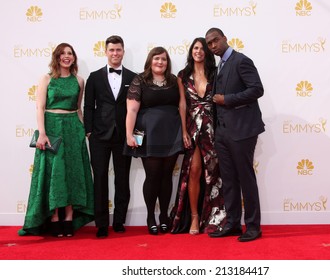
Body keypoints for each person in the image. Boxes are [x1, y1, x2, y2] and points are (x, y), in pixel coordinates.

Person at [19, 43, 94, 237]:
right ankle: (53, 218)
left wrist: (85, 131)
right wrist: (42, 133)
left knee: (72, 173)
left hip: (73, 129)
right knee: (54, 173)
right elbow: (39, 107)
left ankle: (68, 218)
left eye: (70, 53)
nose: (67, 57)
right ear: (57, 57)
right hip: (51, 127)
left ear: (74, 57)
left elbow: (78, 109)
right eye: (63, 54)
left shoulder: (79, 80)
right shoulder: (46, 79)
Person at [205, 28, 265, 242]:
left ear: (225, 39)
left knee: (245, 178)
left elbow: (257, 89)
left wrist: (227, 99)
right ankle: (232, 223)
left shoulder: (241, 61)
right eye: (209, 43)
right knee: (229, 180)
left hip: (242, 131)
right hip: (222, 132)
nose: (212, 46)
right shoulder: (219, 66)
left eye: (215, 41)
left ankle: (253, 226)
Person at [124, 47, 183, 235]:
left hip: (172, 132)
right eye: (157, 58)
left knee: (166, 175)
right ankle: (150, 217)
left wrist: (184, 131)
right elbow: (132, 110)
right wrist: (128, 135)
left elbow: (181, 105)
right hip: (148, 134)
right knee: (153, 176)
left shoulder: (175, 80)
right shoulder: (140, 80)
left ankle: (164, 216)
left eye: (164, 59)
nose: (160, 62)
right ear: (150, 60)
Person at [170, 38, 226, 235]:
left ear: (207, 52)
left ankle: (213, 216)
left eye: (202, 48)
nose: (199, 51)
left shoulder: (215, 72)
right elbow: (182, 104)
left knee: (213, 173)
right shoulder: (183, 75)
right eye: (195, 48)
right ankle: (194, 217)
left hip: (213, 128)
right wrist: (184, 131)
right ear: (191, 51)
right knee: (194, 171)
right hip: (193, 127)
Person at [84, 35, 136, 238]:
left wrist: (134, 135)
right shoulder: (94, 77)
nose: (115, 53)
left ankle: (119, 221)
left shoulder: (133, 77)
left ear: (123, 52)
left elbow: (137, 109)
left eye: (119, 50)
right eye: (112, 50)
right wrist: (89, 131)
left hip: (124, 136)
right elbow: (88, 106)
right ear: (106, 52)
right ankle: (102, 223)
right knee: (100, 180)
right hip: (98, 135)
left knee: (122, 180)